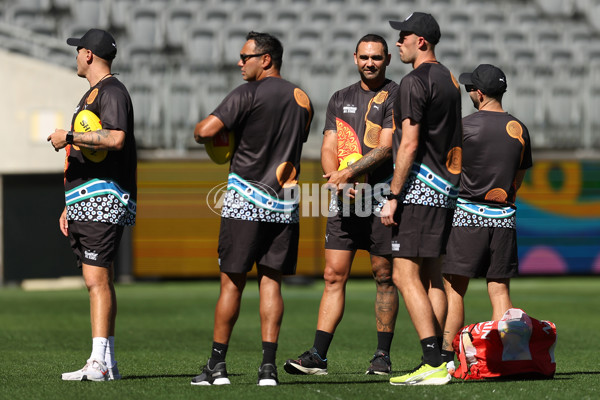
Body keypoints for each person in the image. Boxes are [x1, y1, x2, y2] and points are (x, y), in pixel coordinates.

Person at [191, 31, 313, 386]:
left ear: (266, 59)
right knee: (272, 283)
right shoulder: (302, 98)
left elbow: (205, 130)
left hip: (245, 200)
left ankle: (217, 366)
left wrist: (211, 132)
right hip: (285, 203)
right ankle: (268, 369)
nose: (239, 62)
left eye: (246, 57)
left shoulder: (247, 92)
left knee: (231, 284)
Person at [284, 34, 399, 376]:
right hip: (345, 200)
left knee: (384, 276)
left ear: (387, 59)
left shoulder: (397, 96)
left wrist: (347, 174)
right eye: (364, 56)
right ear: (354, 58)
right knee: (333, 275)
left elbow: (388, 148)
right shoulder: (340, 98)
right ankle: (318, 355)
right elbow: (329, 144)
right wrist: (334, 177)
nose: (369, 63)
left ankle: (382, 357)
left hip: (381, 200)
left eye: (376, 57)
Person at [47, 29, 136, 381]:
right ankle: (107, 362)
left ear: (87, 55)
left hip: (103, 197)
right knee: (97, 278)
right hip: (87, 197)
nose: (75, 56)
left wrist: (68, 135)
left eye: (78, 51)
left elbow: (115, 137)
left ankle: (98, 362)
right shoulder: (95, 93)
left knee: (95, 279)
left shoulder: (112, 91)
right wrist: (71, 202)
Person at [380, 12, 462, 385]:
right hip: (446, 189)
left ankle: (430, 362)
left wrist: (393, 195)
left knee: (403, 273)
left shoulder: (413, 81)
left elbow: (409, 143)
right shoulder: (450, 79)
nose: (398, 42)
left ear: (422, 42)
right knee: (432, 276)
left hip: (419, 189)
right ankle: (443, 358)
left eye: (404, 36)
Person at [441, 64, 532, 374]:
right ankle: (503, 359)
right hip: (505, 216)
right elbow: (517, 180)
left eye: (470, 88)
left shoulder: (464, 127)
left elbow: (451, 172)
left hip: (468, 215)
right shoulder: (519, 128)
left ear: (479, 93)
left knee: (454, 289)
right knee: (499, 289)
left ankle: (444, 359)